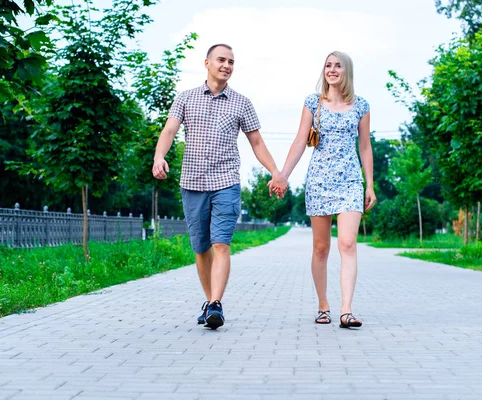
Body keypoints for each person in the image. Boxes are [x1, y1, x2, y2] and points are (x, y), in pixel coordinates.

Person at [153, 44, 287, 329]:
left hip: (226, 181)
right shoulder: (185, 98)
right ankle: (210, 302)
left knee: (220, 243)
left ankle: (215, 304)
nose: (226, 65)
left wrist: (275, 171)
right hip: (192, 183)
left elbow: (257, 142)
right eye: (221, 60)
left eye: (231, 62)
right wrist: (159, 156)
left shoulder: (242, 103)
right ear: (207, 63)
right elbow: (169, 130)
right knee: (201, 247)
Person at [269, 51, 376, 329]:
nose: (332, 70)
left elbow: (365, 147)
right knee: (320, 248)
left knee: (348, 243)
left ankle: (346, 310)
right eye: (328, 65)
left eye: (338, 65)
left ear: (347, 71)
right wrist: (282, 175)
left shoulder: (361, 105)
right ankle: (323, 305)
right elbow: (299, 141)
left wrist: (370, 184)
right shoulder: (313, 102)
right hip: (319, 181)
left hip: (350, 181)